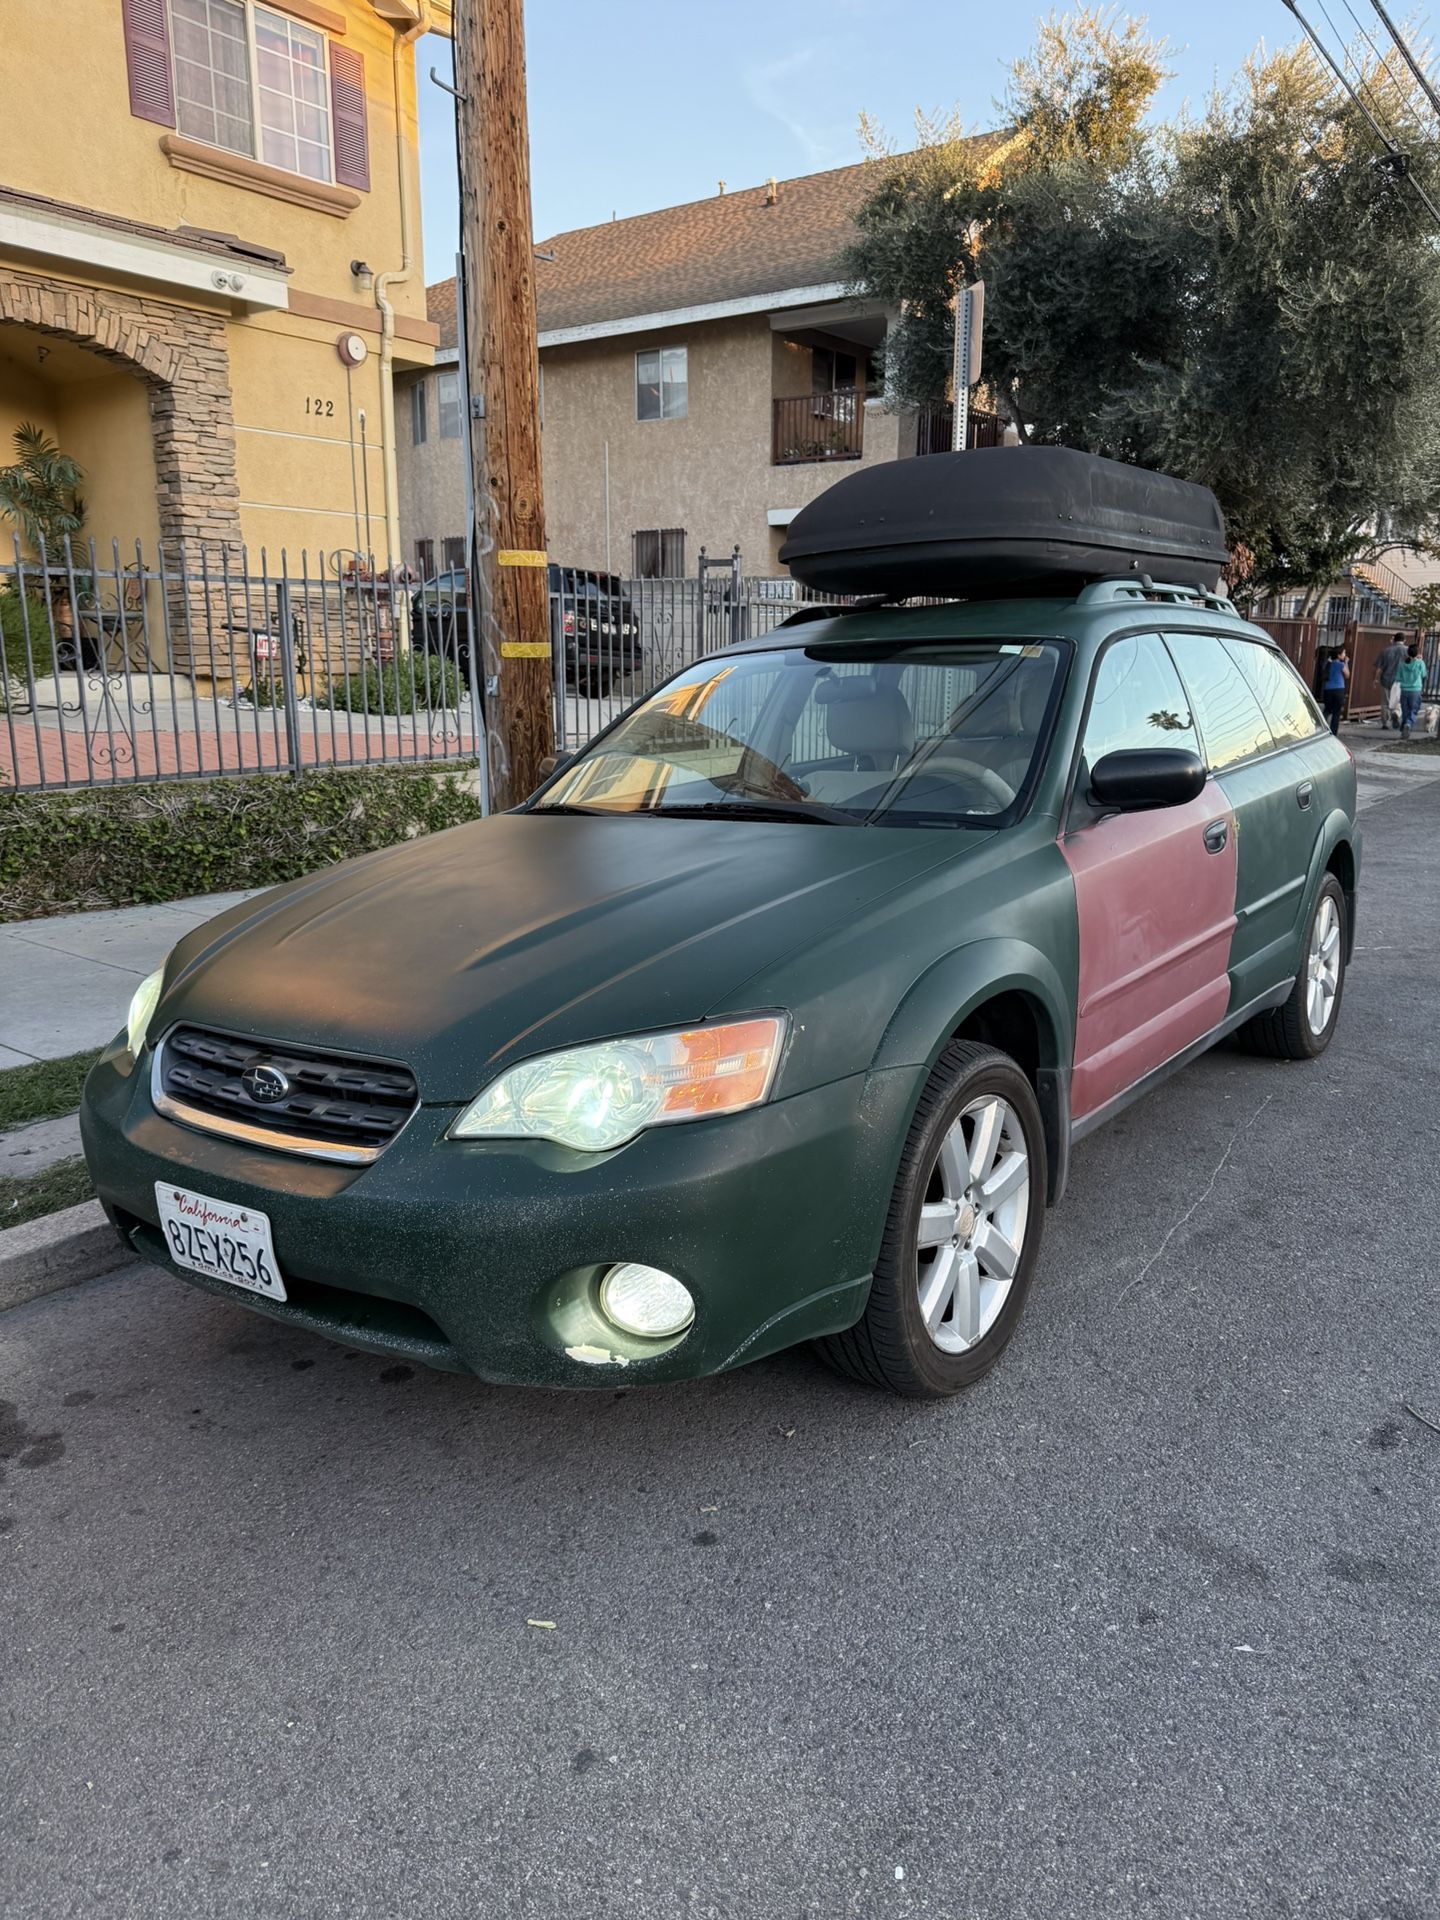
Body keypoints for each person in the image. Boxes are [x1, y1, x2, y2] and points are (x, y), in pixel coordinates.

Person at [1375, 633, 1408, 729]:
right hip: (1400, 681)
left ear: (1394, 639)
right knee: (1398, 700)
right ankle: (1396, 713)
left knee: (1385, 702)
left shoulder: (1385, 651)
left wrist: (1375, 679)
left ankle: (1385, 723)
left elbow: (1379, 668)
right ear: (1404, 640)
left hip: (1386, 679)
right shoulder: (1407, 651)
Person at [1396, 641, 1426, 738]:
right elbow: (1424, 675)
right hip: (1415, 689)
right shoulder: (1420, 663)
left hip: (1404, 690)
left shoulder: (1402, 664)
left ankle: (1404, 724)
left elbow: (1397, 678)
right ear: (1417, 653)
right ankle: (1408, 724)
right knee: (1413, 709)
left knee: (1405, 710)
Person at [1320, 646, 1349, 734]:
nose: (1345, 655)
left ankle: (1321, 727)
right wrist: (1346, 663)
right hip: (1338, 690)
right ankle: (1333, 731)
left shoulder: (1327, 664)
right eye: (1343, 653)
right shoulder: (1340, 664)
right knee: (1336, 712)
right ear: (1338, 655)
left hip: (1327, 689)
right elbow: (1347, 675)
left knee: (1327, 710)